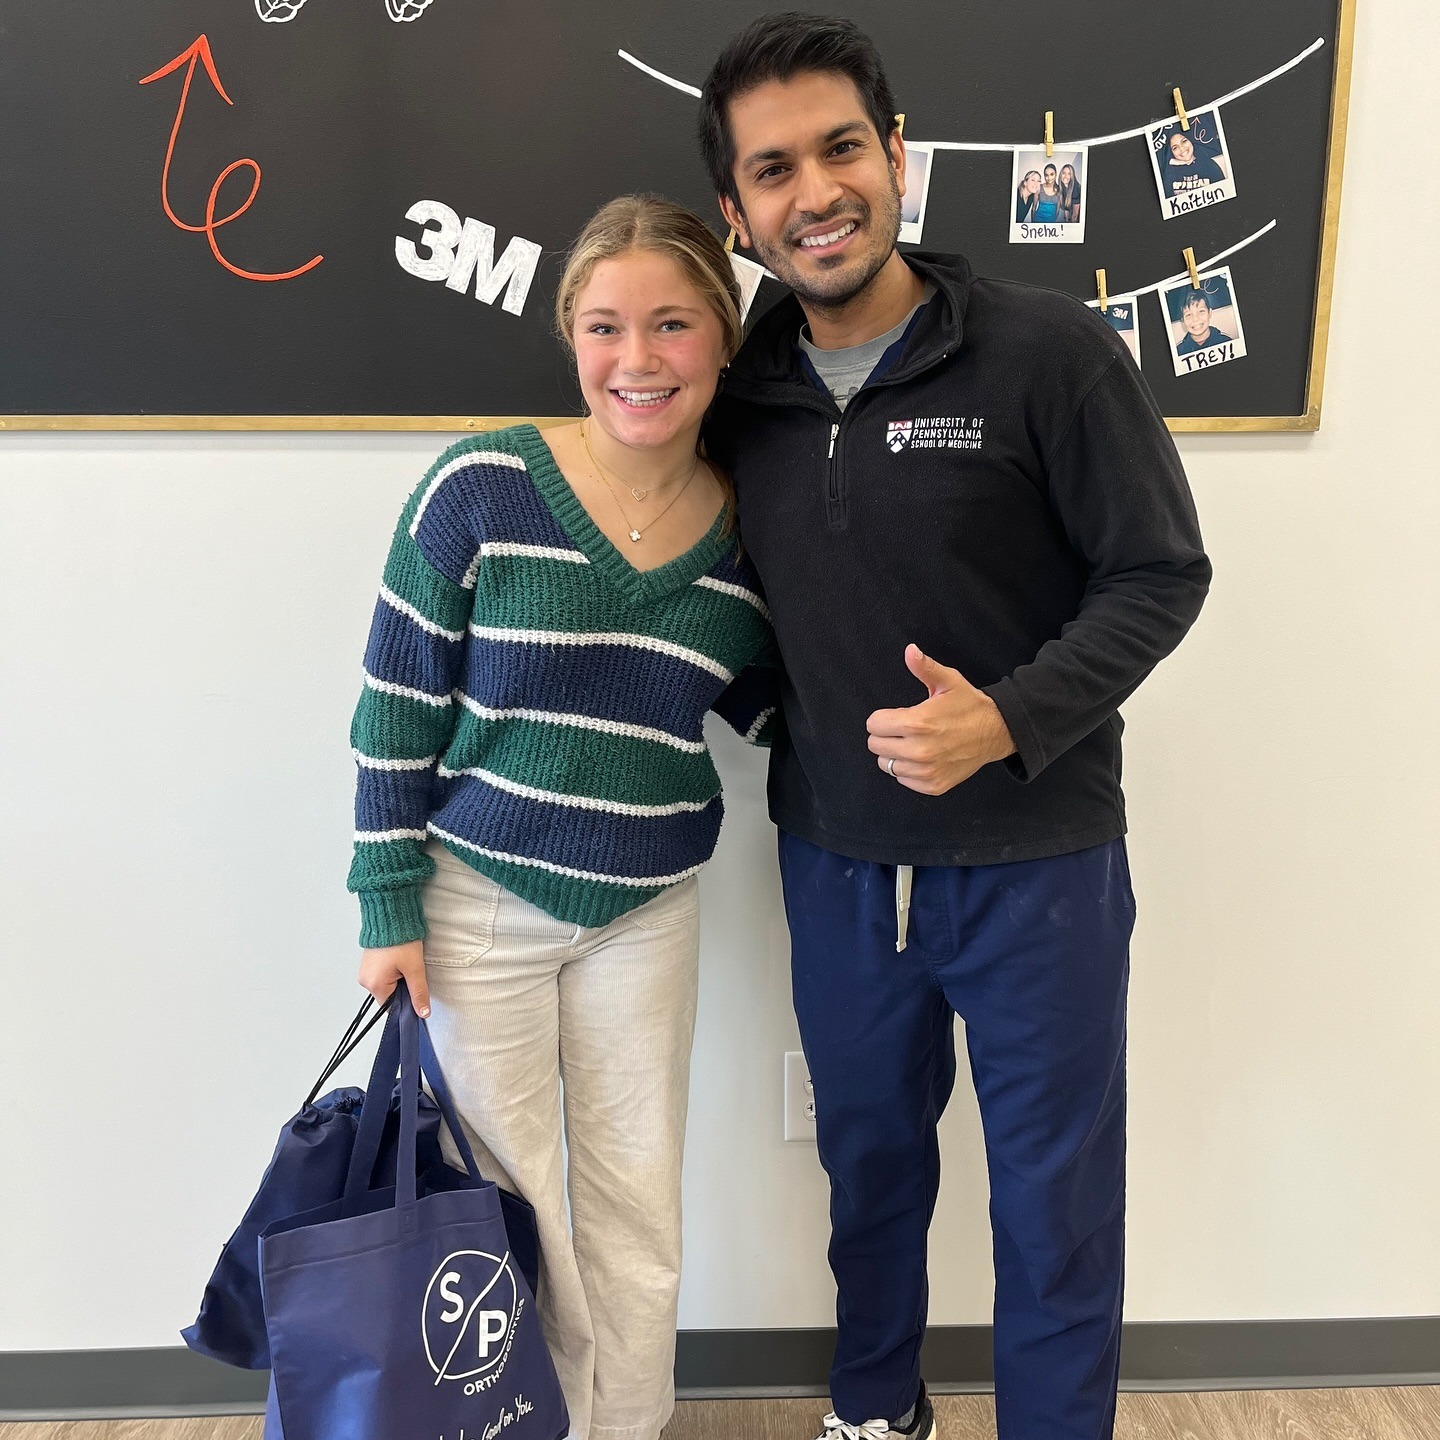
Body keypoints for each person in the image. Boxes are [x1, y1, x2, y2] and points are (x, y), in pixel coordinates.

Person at [698, 13, 1210, 1440]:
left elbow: (1162, 573)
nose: (819, 192)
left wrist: (1013, 718)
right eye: (776, 169)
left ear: (899, 155)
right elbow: (724, 606)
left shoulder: (1051, 353)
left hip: (1038, 863)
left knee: (1054, 1196)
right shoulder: (738, 402)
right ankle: (876, 1412)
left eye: (843, 147)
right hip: (840, 867)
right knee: (869, 1173)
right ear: (738, 215)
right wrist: (767, 717)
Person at [348, 194, 777, 1440]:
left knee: (639, 1210)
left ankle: (624, 1430)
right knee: (504, 1214)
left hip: (649, 912)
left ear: (722, 339)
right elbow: (393, 705)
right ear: (571, 335)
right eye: (604, 327)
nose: (635, 360)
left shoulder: (758, 536)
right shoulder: (480, 484)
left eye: (671, 325)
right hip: (475, 906)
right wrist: (385, 902)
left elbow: (766, 711)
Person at [1164, 126, 1227, 195]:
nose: (1181, 148)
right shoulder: (1168, 172)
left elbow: (1224, 191)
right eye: (1175, 147)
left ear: (1191, 141)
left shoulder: (1209, 164)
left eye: (1184, 141)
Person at [1175, 287, 1233, 354]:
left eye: (1201, 311)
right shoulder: (1178, 352)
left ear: (1209, 313)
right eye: (1188, 315)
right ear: (1183, 320)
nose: (1195, 318)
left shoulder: (1226, 342)